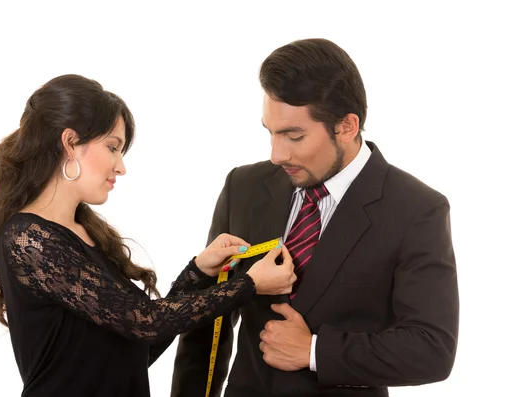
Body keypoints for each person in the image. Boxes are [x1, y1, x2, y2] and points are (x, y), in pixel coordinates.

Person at [0, 74, 297, 397]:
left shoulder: (87, 234)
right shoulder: (29, 238)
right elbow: (146, 322)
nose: (120, 166)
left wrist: (200, 271)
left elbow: (140, 344)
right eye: (112, 147)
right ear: (70, 142)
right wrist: (249, 285)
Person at [171, 38, 459, 396]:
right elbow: (207, 322)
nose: (277, 155)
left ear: (347, 127)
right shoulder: (243, 186)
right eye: (271, 133)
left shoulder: (417, 210)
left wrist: (314, 352)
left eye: (294, 136)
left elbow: (432, 349)